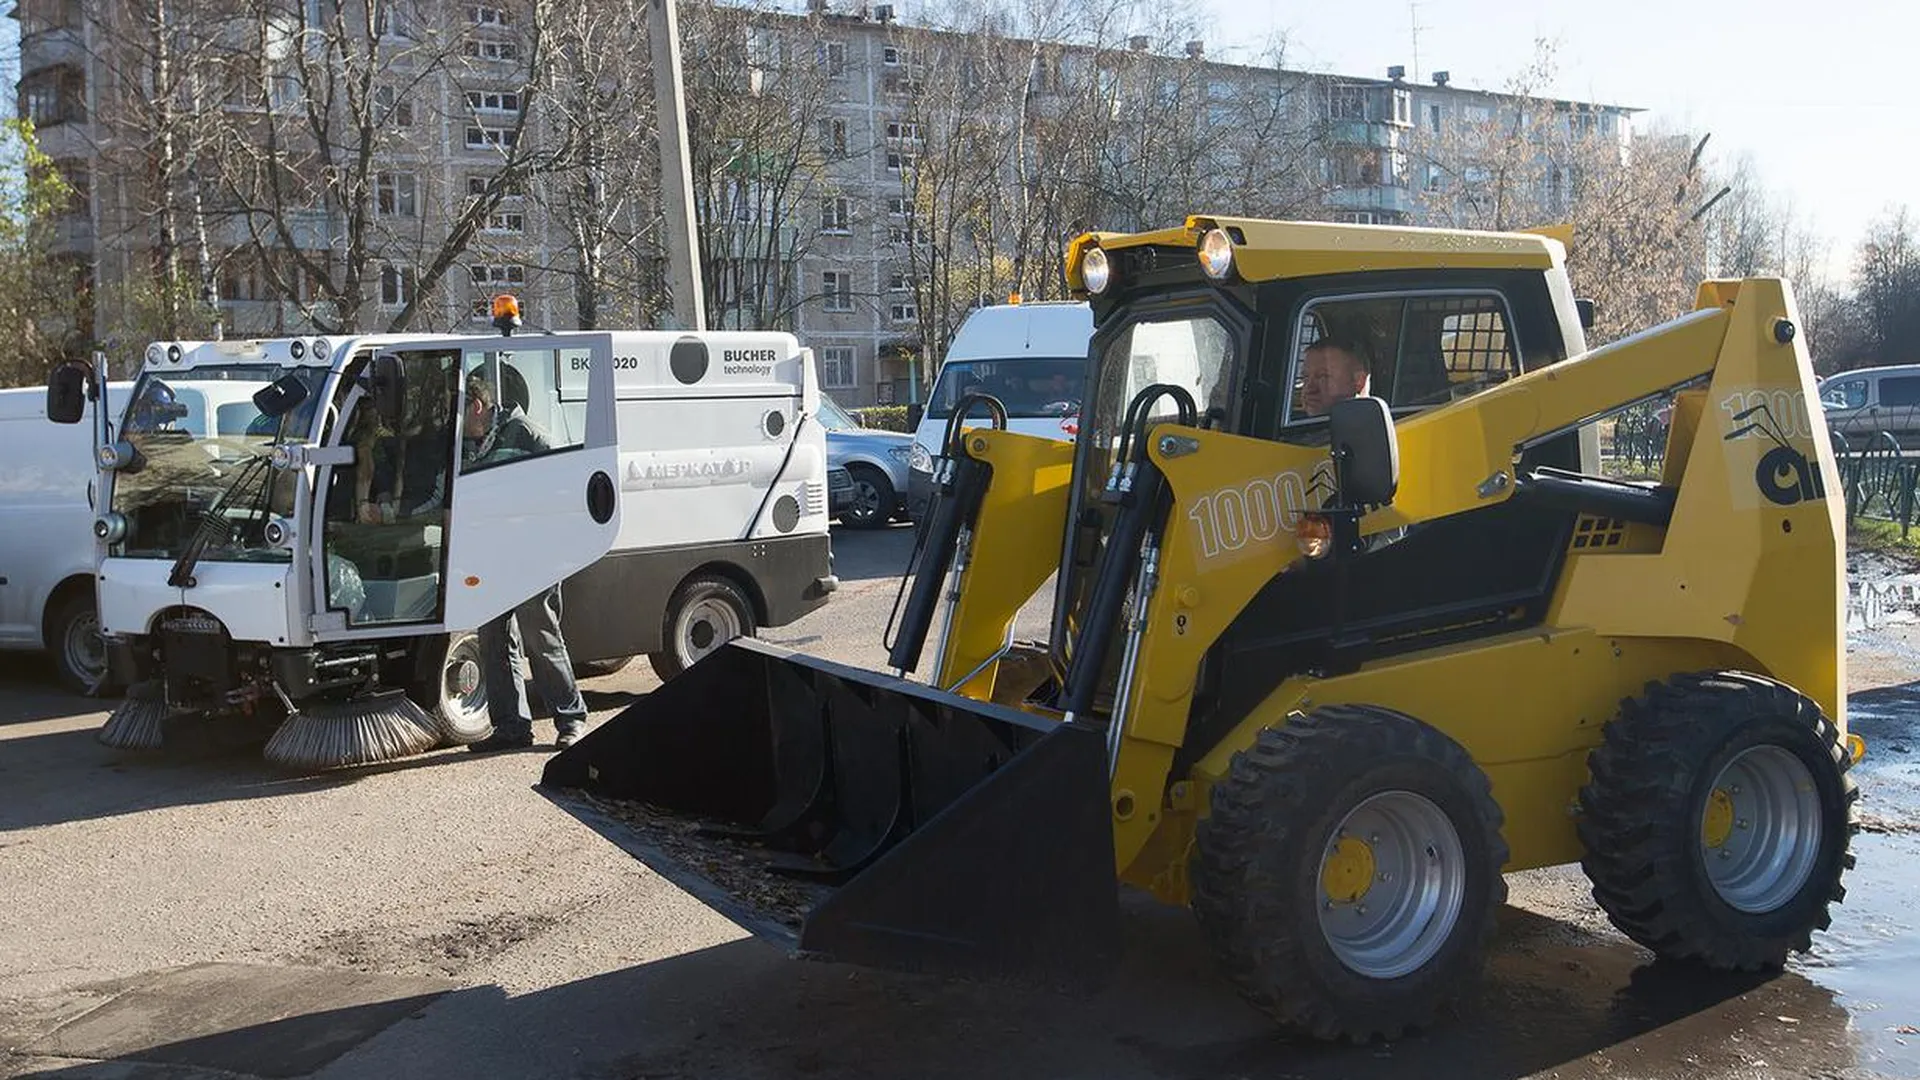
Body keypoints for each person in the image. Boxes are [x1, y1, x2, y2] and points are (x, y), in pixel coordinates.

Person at [461, 370, 590, 753]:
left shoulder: (527, 434)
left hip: (532, 556)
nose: (455, 425)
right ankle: (511, 727)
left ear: (478, 407)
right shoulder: (468, 444)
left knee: (541, 637)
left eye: (459, 414)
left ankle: (571, 719)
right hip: (490, 557)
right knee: (494, 641)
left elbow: (564, 487)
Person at [1298, 336, 1373, 417]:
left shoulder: (1368, 428)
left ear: (1359, 381)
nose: (1309, 389)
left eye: (1323, 376)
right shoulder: (1292, 421)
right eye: (1305, 377)